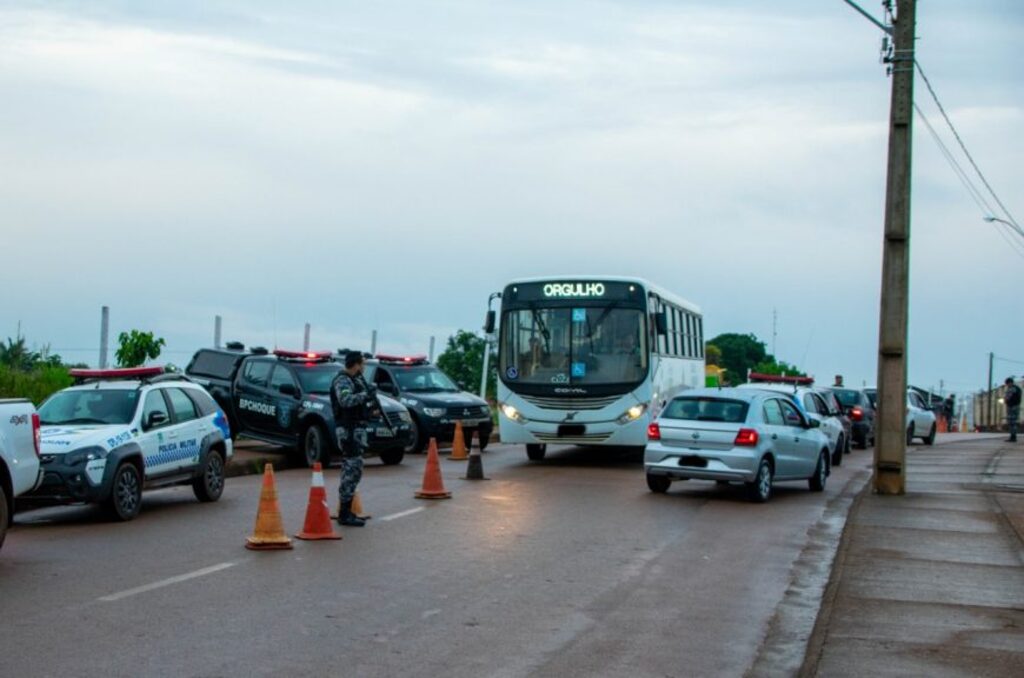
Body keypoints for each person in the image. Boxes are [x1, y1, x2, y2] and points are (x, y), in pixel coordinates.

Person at [330, 352, 379, 527]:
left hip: (356, 429)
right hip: (348, 431)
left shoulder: (356, 381)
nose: (364, 368)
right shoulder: (342, 380)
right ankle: (344, 513)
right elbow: (345, 400)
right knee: (352, 469)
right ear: (356, 364)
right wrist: (365, 395)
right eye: (362, 364)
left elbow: (359, 405)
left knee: (354, 469)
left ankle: (347, 510)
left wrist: (371, 410)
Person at [1005, 377, 1021, 443]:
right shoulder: (1018, 389)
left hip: (1012, 407)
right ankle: (1013, 436)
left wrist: (1006, 401)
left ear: (1010, 383)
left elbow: (1007, 398)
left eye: (1007, 384)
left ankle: (1013, 437)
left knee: (1011, 422)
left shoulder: (1012, 389)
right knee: (1013, 422)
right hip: (1016, 406)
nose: (1007, 385)